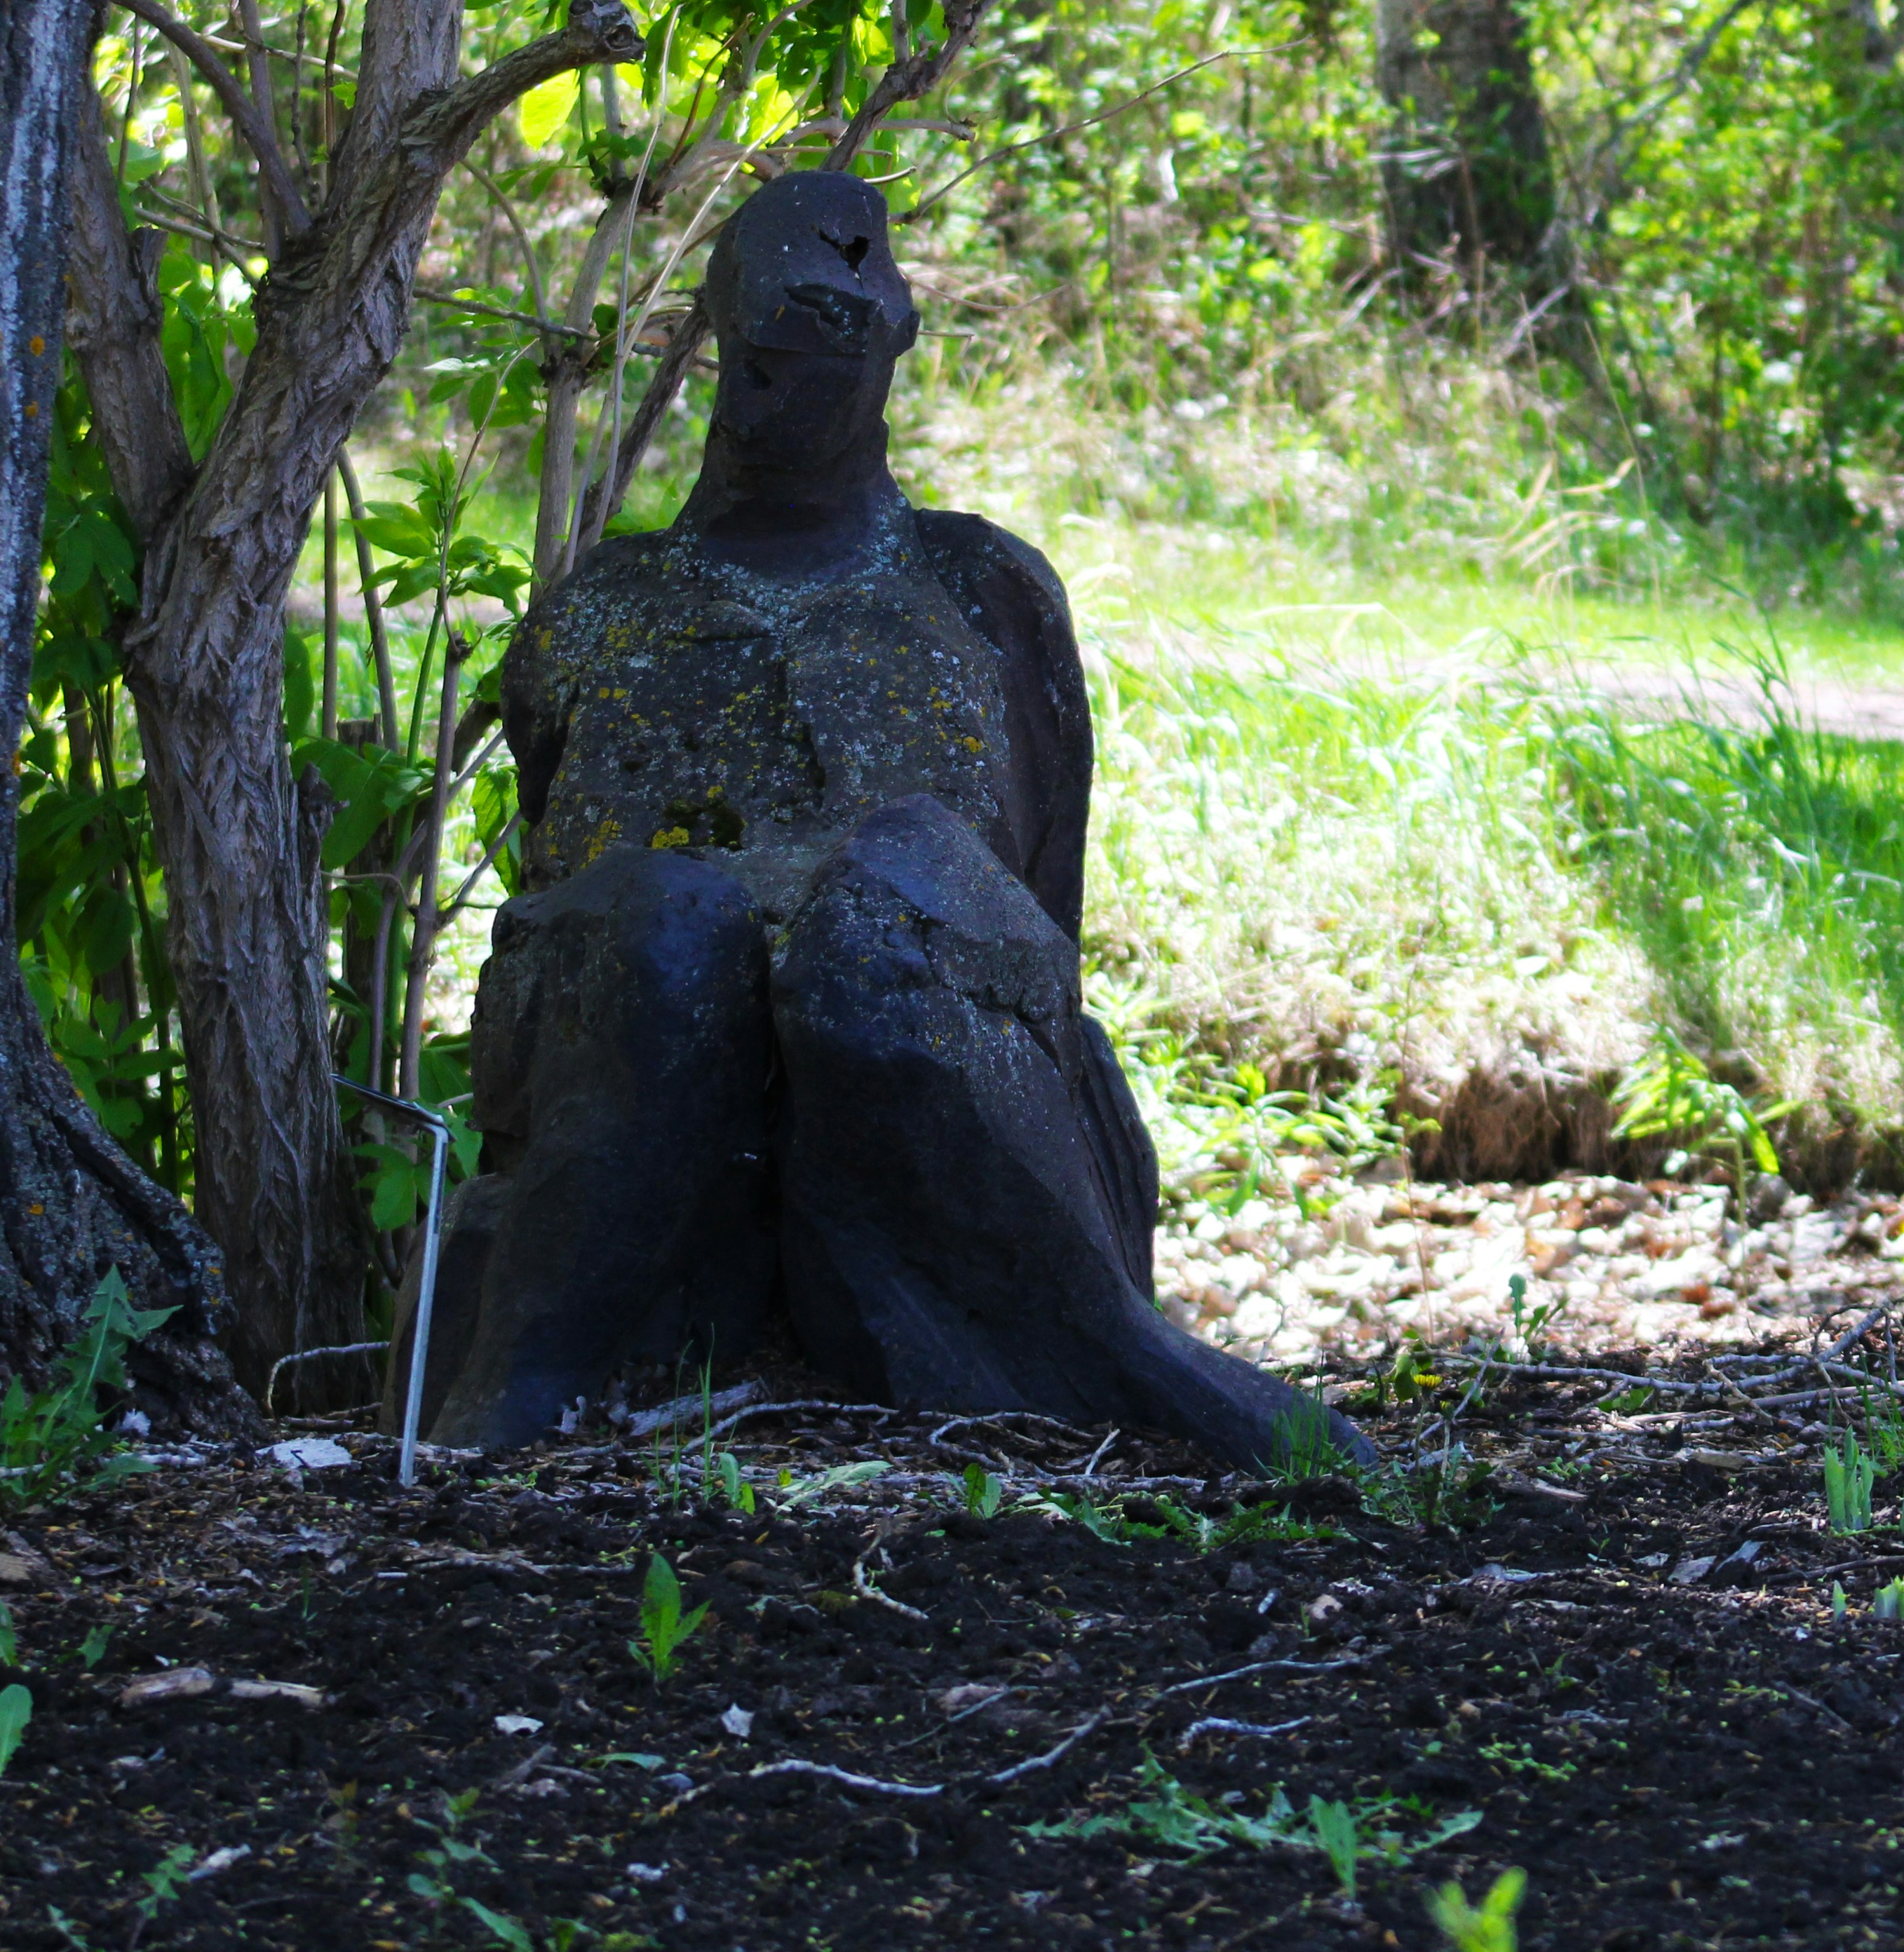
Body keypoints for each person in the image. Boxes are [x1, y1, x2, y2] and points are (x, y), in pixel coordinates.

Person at [412, 170, 1353, 1468]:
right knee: (672, 919)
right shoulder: (605, 611)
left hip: (917, 1059)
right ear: (719, 337)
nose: (787, 380)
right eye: (765, 341)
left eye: (837, 332)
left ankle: (1106, 1342)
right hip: (634, 1061)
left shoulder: (983, 590)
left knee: (889, 908)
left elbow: (1041, 927)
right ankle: (523, 1389)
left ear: (894, 343)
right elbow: (546, 883)